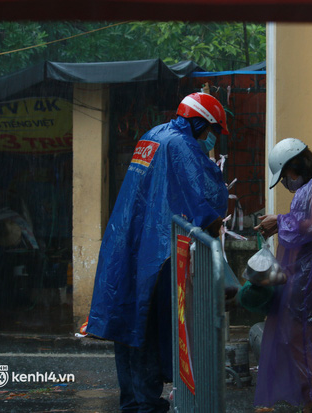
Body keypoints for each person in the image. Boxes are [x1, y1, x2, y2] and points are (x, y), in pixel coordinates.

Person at [87, 92, 229, 413]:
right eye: (212, 131)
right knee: (146, 325)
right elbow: (204, 198)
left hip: (128, 239)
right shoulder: (181, 144)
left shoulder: (153, 134)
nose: (211, 139)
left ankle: (133, 401)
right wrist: (215, 217)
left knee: (129, 324)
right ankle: (146, 404)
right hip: (154, 247)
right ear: (199, 124)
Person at [253, 138, 312, 412]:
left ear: (296, 165)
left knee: (299, 342)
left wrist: (280, 220)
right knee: (303, 343)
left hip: (311, 280)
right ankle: (311, 403)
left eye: (286, 175)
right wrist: (280, 223)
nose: (286, 182)